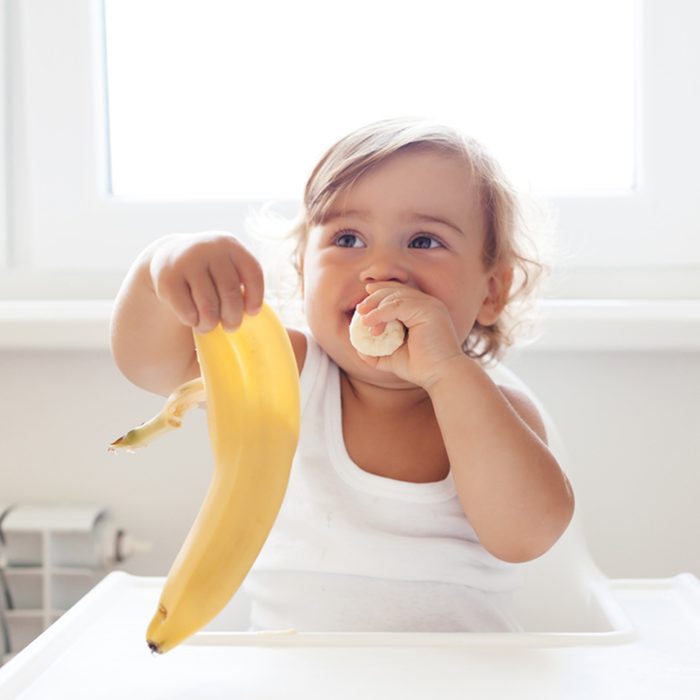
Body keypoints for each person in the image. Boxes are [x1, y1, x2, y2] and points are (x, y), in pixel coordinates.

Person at [111, 118, 575, 632]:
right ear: (303, 269)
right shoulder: (285, 374)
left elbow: (527, 535)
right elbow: (149, 365)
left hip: (458, 680)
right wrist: (162, 265)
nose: (381, 268)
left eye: (423, 241)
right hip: (297, 677)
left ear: (492, 291)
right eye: (348, 238)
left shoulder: (496, 407)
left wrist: (447, 373)